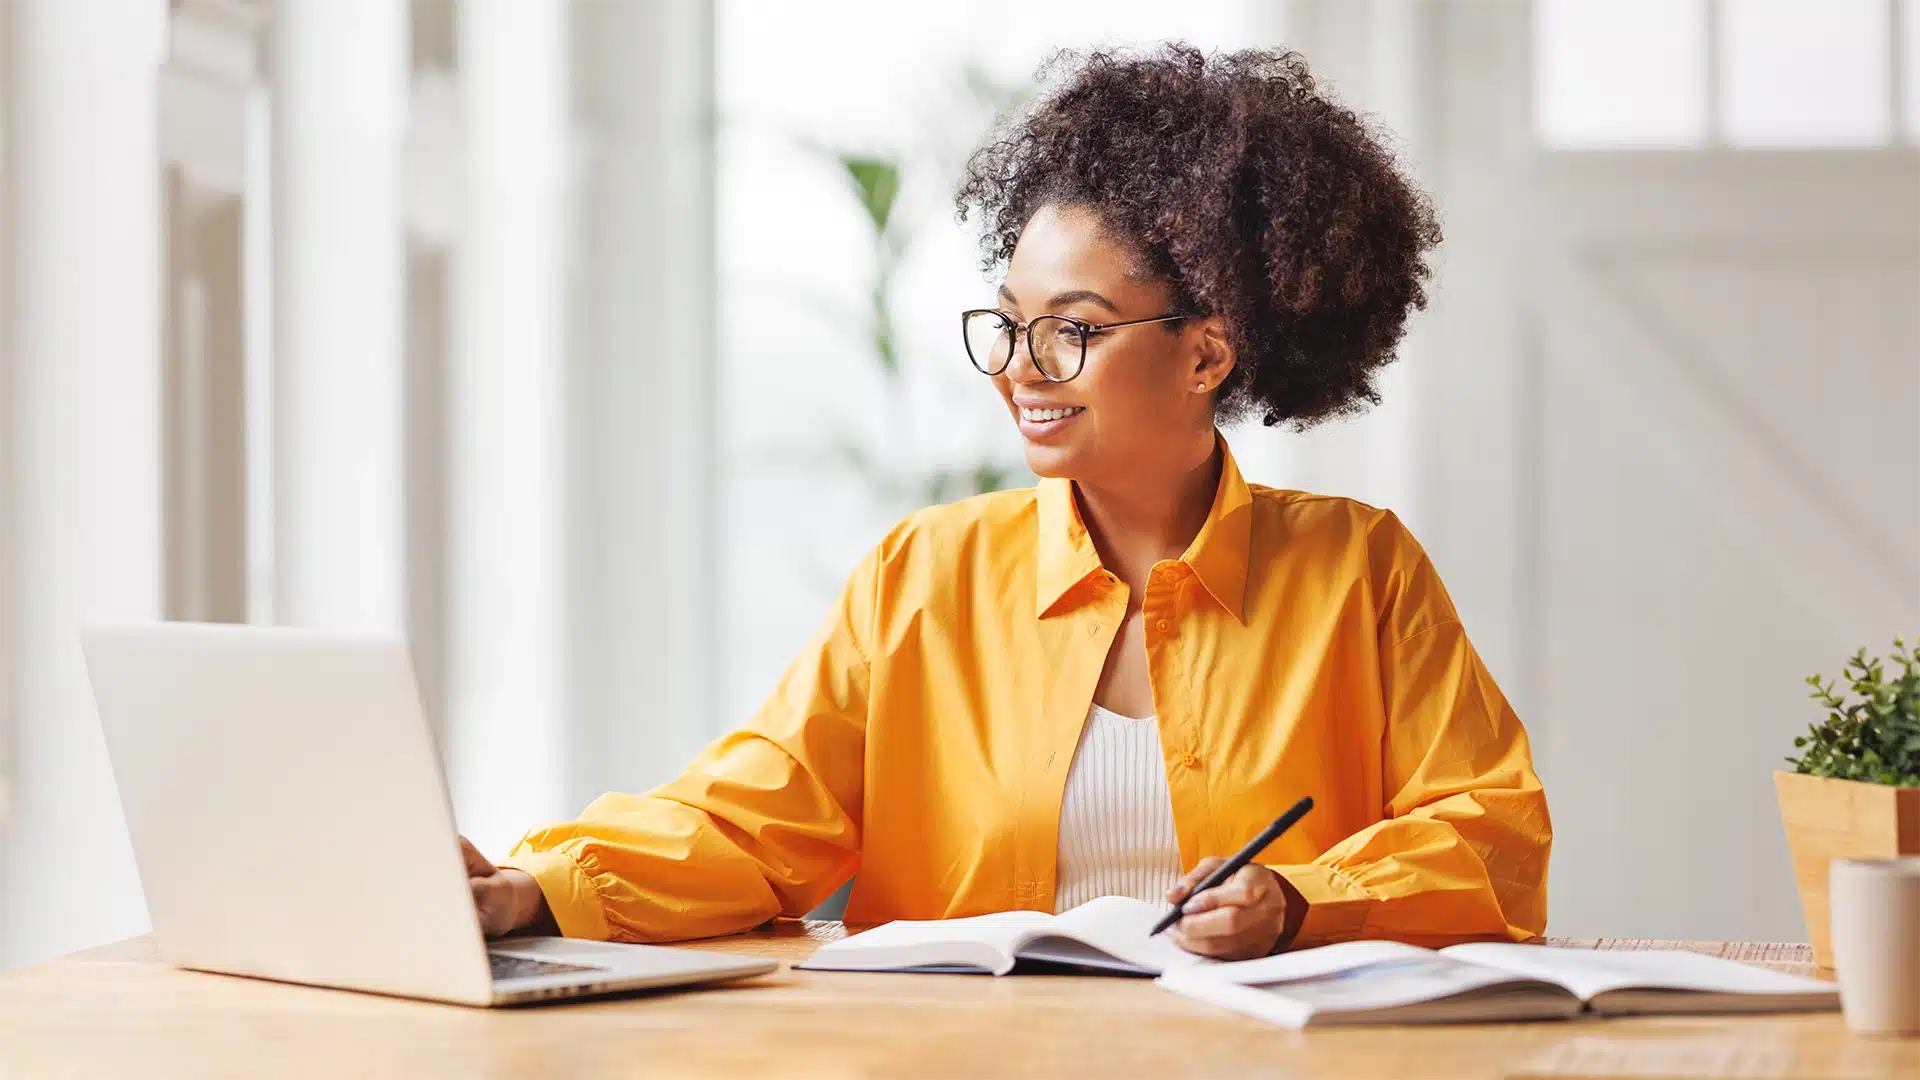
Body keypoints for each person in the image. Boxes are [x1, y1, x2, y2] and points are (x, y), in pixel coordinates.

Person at [464, 44, 1550, 962]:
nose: (1020, 368)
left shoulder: (1361, 571)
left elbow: (1490, 835)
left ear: (1206, 353)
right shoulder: (924, 575)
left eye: (1071, 329)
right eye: (1008, 321)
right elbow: (751, 820)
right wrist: (535, 886)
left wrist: (1303, 902)